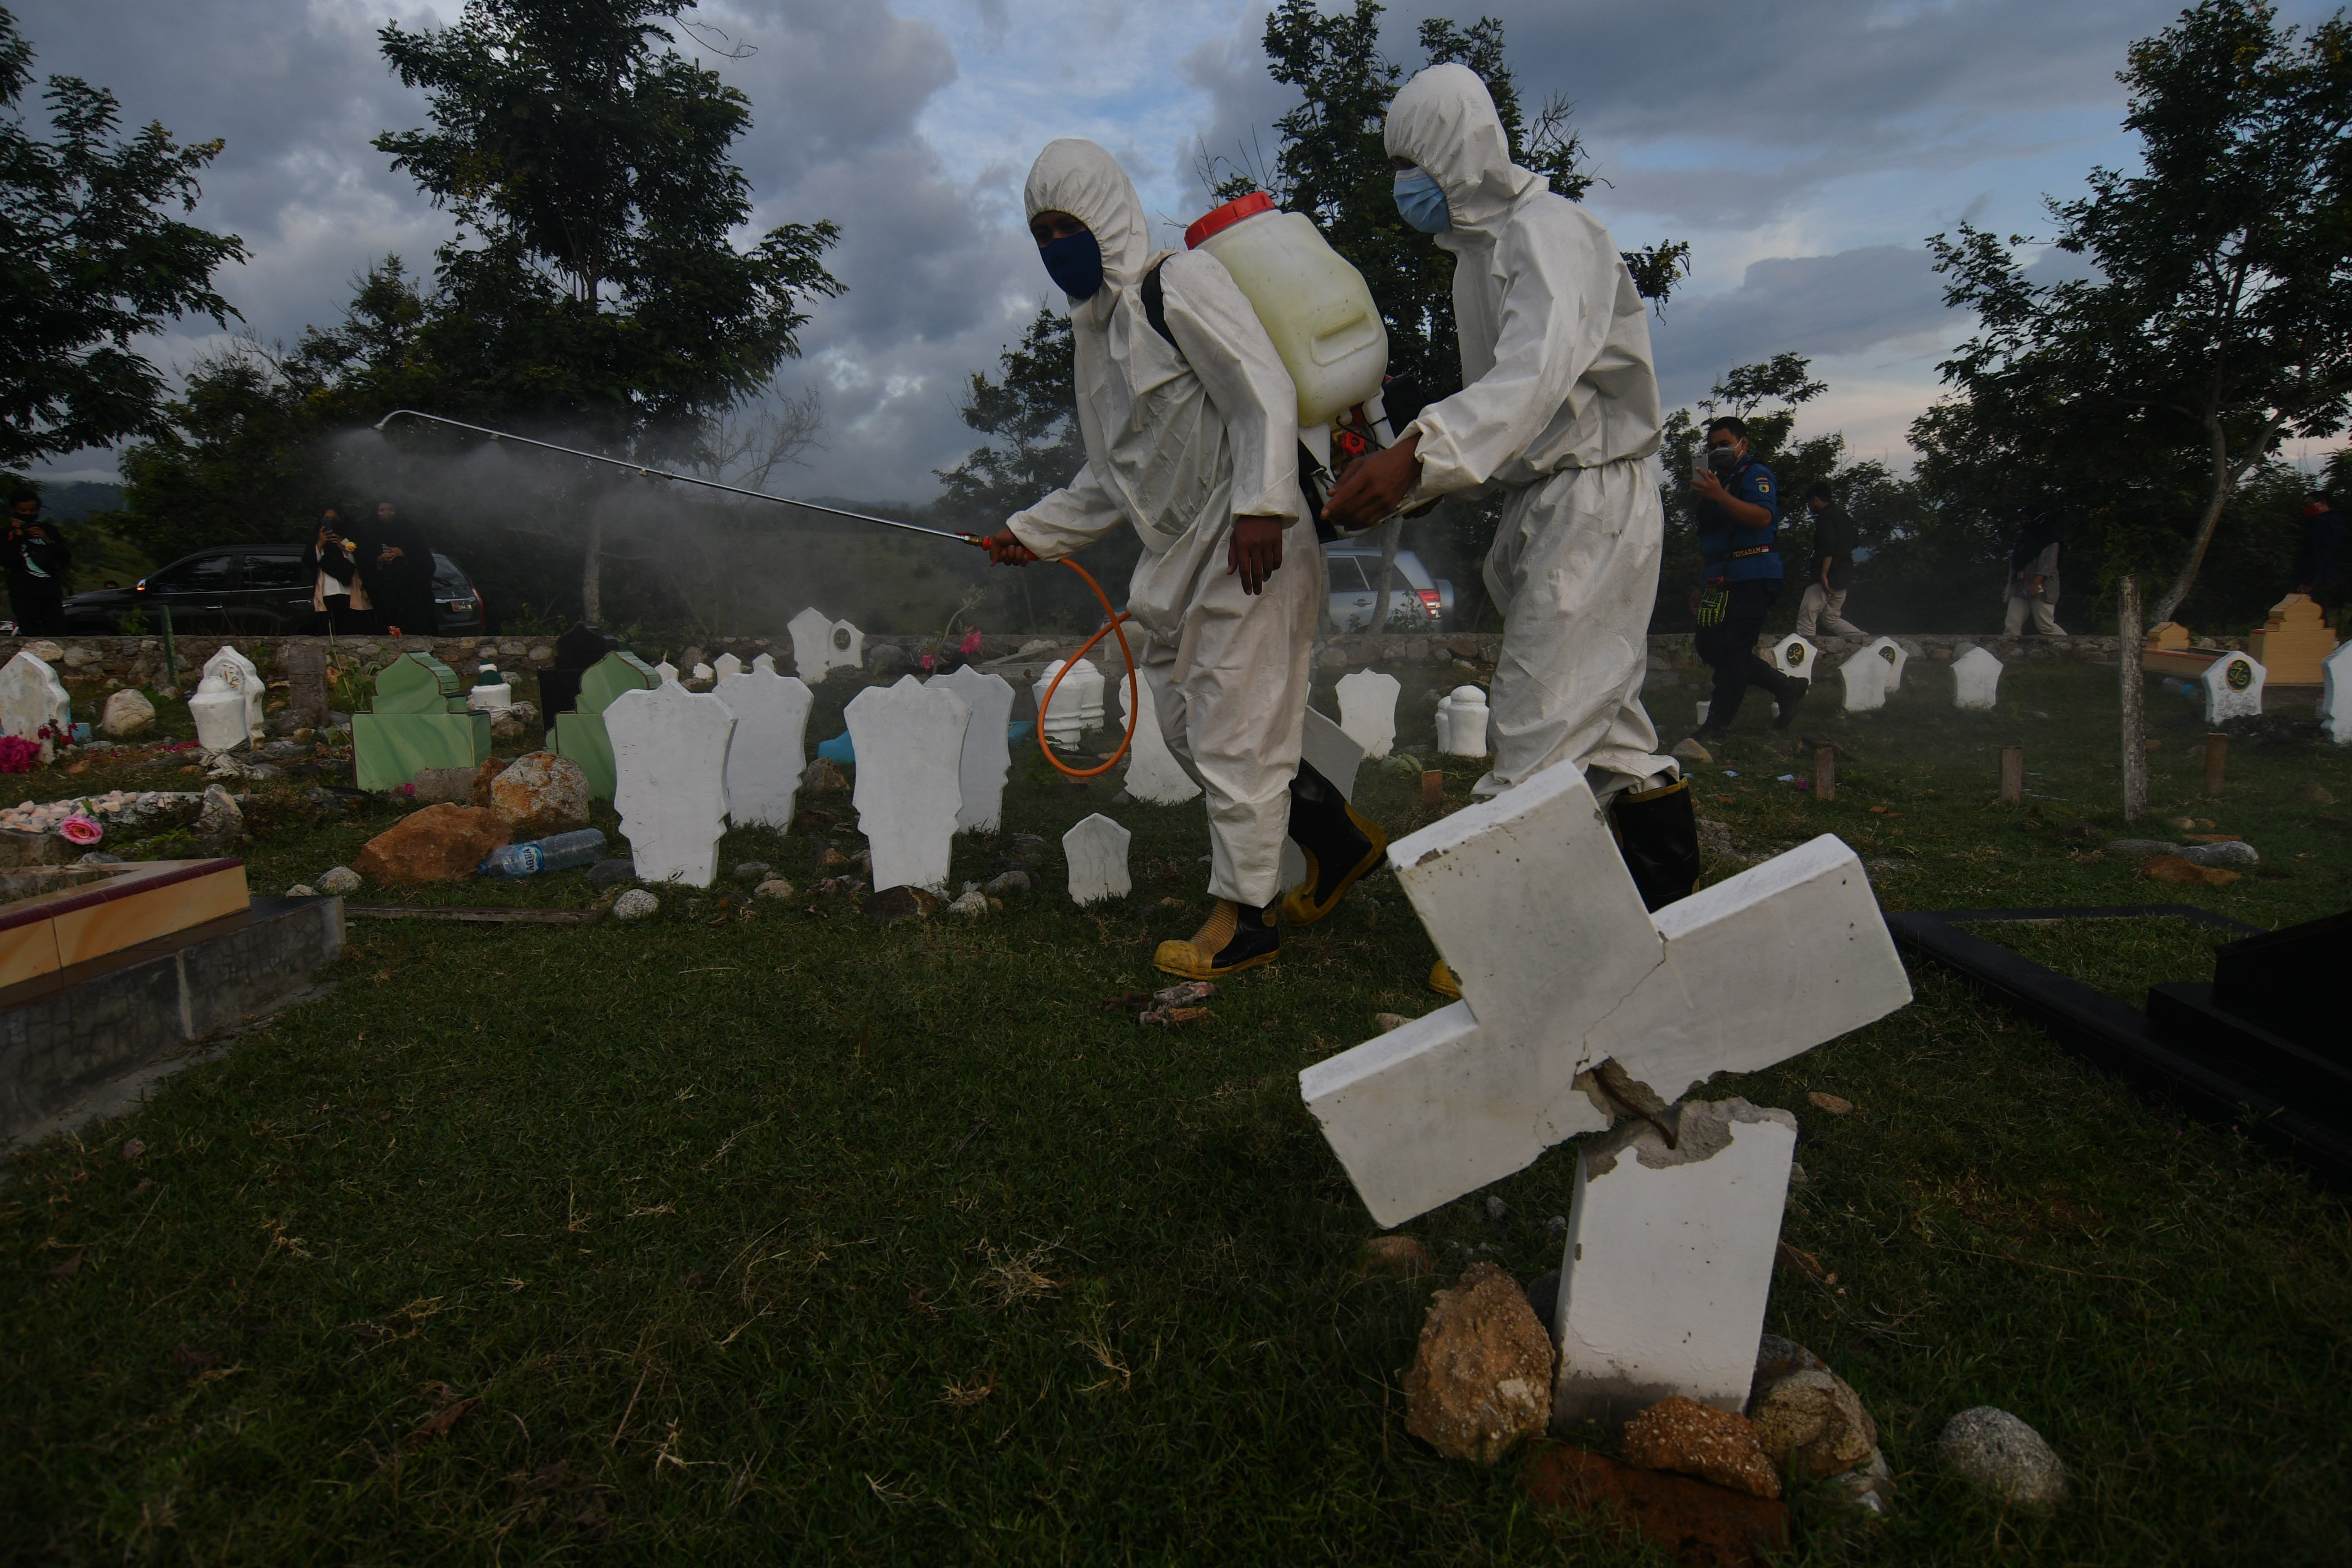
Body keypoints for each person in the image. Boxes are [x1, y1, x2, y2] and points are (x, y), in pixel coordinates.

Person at [1319, 64, 1694, 990]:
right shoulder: (1479, 256)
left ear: (1458, 148)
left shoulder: (1550, 233)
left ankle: (1508, 937)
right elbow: (1501, 403)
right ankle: (1659, 885)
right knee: (1603, 723)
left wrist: (1417, 455)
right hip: (1551, 500)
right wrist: (1409, 466)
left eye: (1412, 160)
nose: (1404, 182)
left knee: (1534, 721)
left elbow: (1534, 378)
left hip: (1593, 499)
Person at [984, 139, 1386, 981]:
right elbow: (1113, 476)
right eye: (1042, 232)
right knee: (1185, 725)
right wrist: (1032, 529)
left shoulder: (1180, 285)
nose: (1058, 244)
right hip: (1177, 562)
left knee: (1235, 731)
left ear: (1110, 218)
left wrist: (1263, 508)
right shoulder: (1094, 339)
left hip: (1251, 541)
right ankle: (1338, 842)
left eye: (1070, 224)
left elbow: (1262, 390)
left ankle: (1247, 918)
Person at [1688, 416, 1803, 742]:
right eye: (1712, 447)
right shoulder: (1719, 482)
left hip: (1753, 573)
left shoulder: (1756, 475)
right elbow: (1714, 541)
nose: (1718, 451)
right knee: (1710, 646)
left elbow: (1763, 516)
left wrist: (1720, 497)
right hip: (1718, 576)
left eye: (1724, 444)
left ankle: (1716, 727)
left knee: (1736, 649)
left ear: (1743, 443)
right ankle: (1786, 687)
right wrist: (1699, 584)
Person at [1793, 482, 1865, 638]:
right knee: (1831, 618)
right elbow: (1855, 542)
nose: (1809, 507)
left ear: (1815, 499)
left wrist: (1824, 575)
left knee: (1808, 615)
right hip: (1844, 573)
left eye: (1809, 502)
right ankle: (1865, 642)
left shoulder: (1825, 517)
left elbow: (1828, 547)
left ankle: (1805, 654)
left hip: (1827, 575)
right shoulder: (1843, 516)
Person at [360, 500, 437, 638]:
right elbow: (363, 563)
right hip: (384, 595)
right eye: (382, 510)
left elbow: (427, 562)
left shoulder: (410, 531)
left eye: (391, 509)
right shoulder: (369, 533)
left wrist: (404, 553)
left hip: (412, 594)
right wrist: (379, 560)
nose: (386, 513)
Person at [3, 489, 71, 635]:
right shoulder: (7, 533)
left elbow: (65, 558)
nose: (28, 514)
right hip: (23, 594)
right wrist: (18, 536)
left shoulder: (49, 530)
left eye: (32, 510)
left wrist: (47, 540)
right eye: (23, 510)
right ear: (15, 510)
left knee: (57, 633)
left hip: (50, 593)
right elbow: (8, 560)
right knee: (30, 634)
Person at [304, 505, 371, 634]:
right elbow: (309, 562)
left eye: (335, 519)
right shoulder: (315, 539)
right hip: (327, 591)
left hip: (350, 591)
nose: (330, 522)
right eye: (326, 519)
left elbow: (362, 562)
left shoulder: (352, 536)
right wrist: (320, 544)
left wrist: (344, 548)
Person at [2003, 511, 2065, 636]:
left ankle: (2069, 647)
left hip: (2042, 588)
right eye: (2024, 519)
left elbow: (2048, 564)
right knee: (2012, 626)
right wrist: (2009, 585)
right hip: (2020, 587)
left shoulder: (2050, 540)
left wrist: (2036, 582)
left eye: (2028, 518)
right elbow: (2015, 564)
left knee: (2045, 626)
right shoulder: (2024, 540)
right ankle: (2010, 653)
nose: (2025, 522)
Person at [2293, 490, 2344, 625]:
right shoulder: (2338, 522)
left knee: (2314, 615)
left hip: (2319, 578)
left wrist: (2309, 581)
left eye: (2309, 504)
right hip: (2333, 575)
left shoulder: (2320, 524)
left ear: (2322, 504)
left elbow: (2318, 554)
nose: (2306, 508)